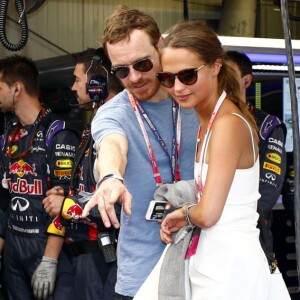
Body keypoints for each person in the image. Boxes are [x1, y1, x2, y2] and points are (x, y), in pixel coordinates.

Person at [82, 6, 199, 299]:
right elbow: (112, 144)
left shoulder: (194, 101)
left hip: (202, 266)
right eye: (121, 70)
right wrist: (110, 177)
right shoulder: (113, 113)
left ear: (160, 44)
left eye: (142, 64)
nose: (133, 78)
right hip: (141, 275)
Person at [158, 20, 271, 299]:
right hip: (214, 262)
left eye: (187, 75)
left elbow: (208, 214)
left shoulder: (226, 124)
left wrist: (182, 214)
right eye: (168, 78)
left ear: (215, 67)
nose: (177, 87)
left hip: (232, 272)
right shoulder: (210, 122)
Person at [42, 47, 123, 300]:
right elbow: (91, 188)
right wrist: (67, 192)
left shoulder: (119, 126)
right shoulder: (94, 126)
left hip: (108, 256)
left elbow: (117, 205)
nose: (74, 88)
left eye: (78, 80)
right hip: (87, 253)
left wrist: (66, 204)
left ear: (99, 83)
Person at [0, 55, 78, 300]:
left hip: (46, 245)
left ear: (16, 88)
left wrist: (49, 259)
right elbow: (4, 199)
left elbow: (64, 199)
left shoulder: (58, 132)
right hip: (14, 246)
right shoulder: (7, 136)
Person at [224, 50, 287, 223]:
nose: (222, 80)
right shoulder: (208, 121)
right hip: (210, 229)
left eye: (227, 74)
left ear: (246, 81)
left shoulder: (268, 126)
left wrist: (234, 222)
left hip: (251, 230)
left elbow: (268, 190)